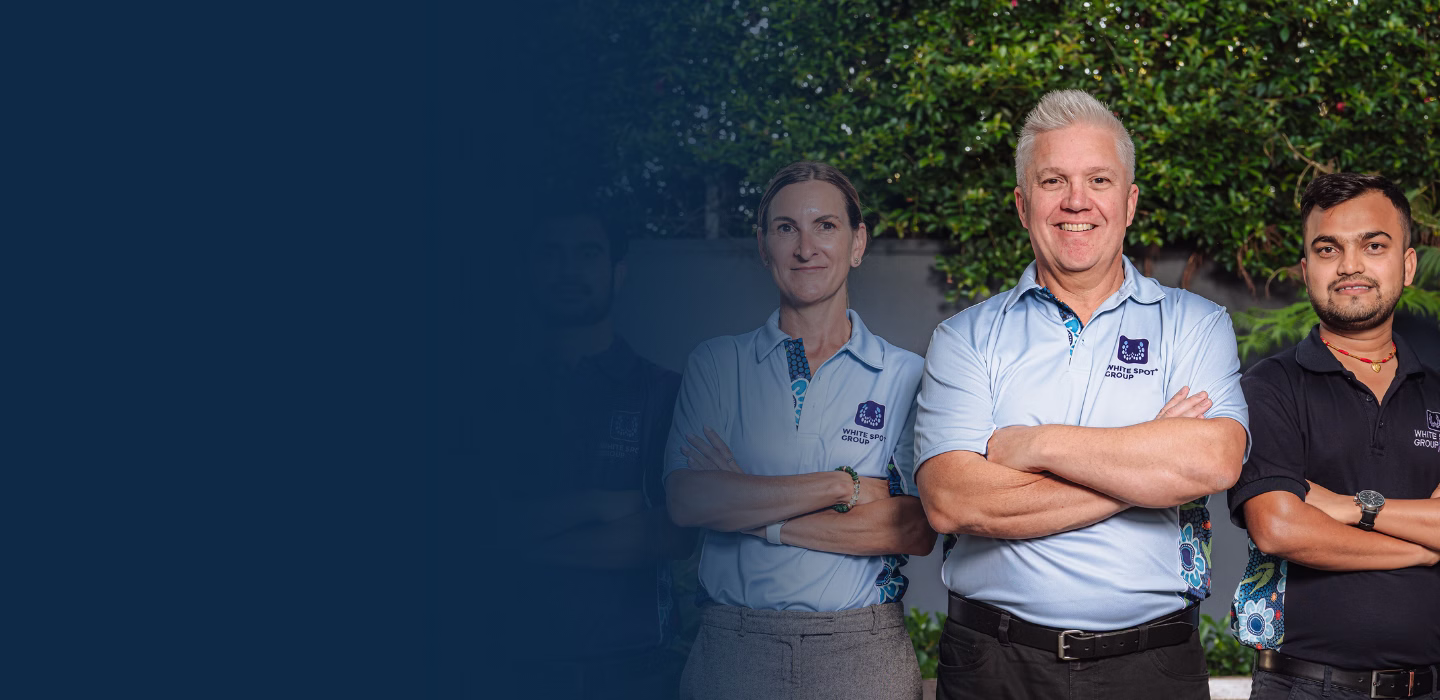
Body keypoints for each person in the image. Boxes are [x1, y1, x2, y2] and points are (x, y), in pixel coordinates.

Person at [913, 90, 1250, 700]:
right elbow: (952, 501)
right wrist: (1148, 466)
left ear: (1129, 202)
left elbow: (1214, 462)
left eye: (1099, 179)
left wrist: (1034, 444)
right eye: (1053, 181)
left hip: (1152, 667)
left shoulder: (1196, 325)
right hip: (993, 666)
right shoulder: (964, 338)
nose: (1076, 201)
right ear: (1023, 205)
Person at [663, 161, 936, 699]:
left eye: (825, 226)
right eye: (786, 228)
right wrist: (842, 485)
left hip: (861, 652)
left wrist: (753, 515)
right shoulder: (716, 364)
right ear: (763, 246)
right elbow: (689, 501)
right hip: (732, 649)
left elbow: (912, 529)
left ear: (858, 243)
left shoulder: (906, 374)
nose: (805, 248)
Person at [1227, 173, 1440, 699]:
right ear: (1306, 271)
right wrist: (1422, 549)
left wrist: (1349, 507)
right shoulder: (1269, 386)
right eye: (1328, 249)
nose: (1349, 266)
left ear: (1408, 266)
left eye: (1374, 246)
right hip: (1304, 685)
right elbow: (1278, 528)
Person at [511, 209, 697, 699]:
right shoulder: (489, 395)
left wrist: (520, 550)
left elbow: (671, 532)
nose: (568, 270)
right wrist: (598, 504)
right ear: (527, 268)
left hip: (634, 671)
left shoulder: (664, 392)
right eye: (551, 253)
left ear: (618, 271)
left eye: (587, 253)